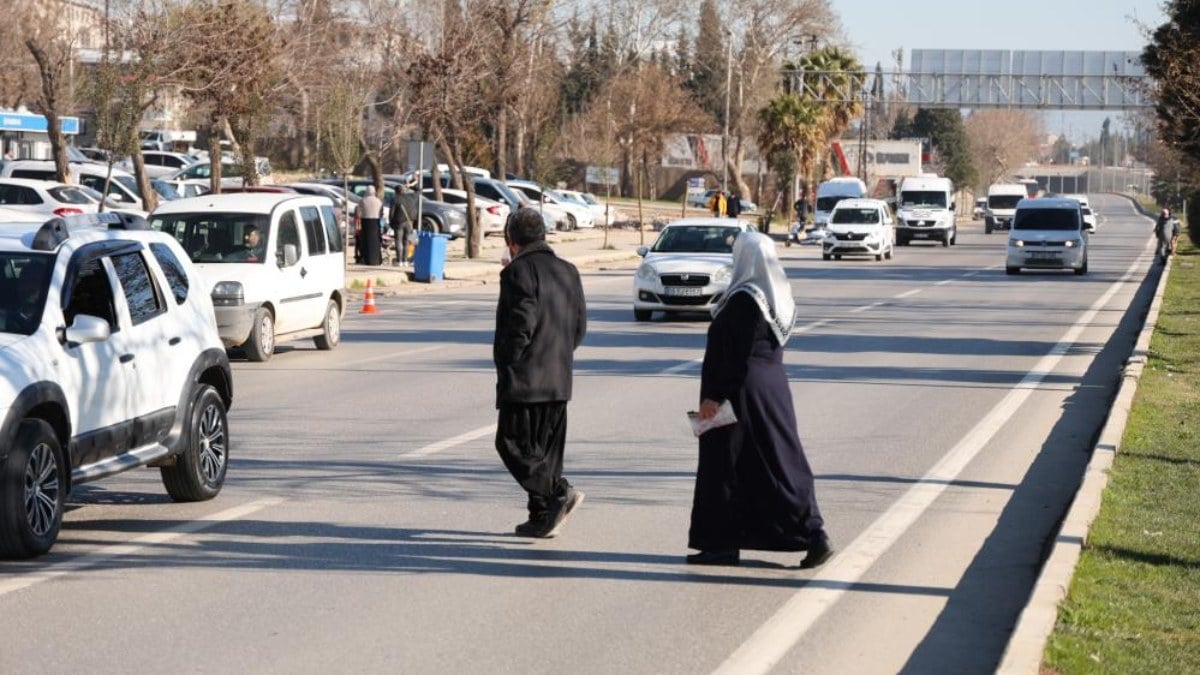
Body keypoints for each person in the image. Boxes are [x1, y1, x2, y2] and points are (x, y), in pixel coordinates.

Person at [687, 231, 833, 568]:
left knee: (725, 462)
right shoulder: (776, 296)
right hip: (771, 389)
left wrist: (715, 397)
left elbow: (736, 357)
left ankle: (728, 543)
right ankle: (805, 532)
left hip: (741, 392)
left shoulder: (745, 300)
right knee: (776, 459)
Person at [493, 208, 588, 538]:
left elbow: (521, 324)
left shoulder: (518, 271)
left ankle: (557, 492)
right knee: (545, 452)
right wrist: (559, 355)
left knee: (511, 444)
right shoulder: (568, 270)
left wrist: (509, 361)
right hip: (558, 378)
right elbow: (579, 327)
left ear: (512, 241)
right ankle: (542, 517)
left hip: (525, 380)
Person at [389, 186, 415, 267]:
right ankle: (405, 261)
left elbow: (391, 213)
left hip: (399, 223)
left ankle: (399, 261)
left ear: (396, 192)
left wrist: (391, 223)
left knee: (398, 241)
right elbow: (419, 191)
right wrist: (411, 185)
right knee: (406, 241)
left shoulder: (395, 199)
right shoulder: (411, 198)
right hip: (409, 222)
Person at [359, 185, 384, 266]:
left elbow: (359, 210)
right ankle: (376, 259)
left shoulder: (363, 200)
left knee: (366, 241)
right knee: (375, 241)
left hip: (366, 222)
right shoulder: (378, 201)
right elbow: (381, 212)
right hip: (376, 222)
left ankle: (367, 259)